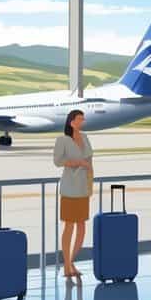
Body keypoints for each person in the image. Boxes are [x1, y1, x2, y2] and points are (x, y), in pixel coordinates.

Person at [54, 109, 94, 279]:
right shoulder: (62, 140)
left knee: (82, 226)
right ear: (71, 122)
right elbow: (57, 161)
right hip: (70, 188)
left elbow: (90, 160)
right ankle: (67, 265)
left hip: (83, 187)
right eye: (79, 119)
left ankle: (71, 261)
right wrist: (75, 162)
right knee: (69, 225)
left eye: (83, 119)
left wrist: (90, 183)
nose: (82, 122)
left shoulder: (85, 137)